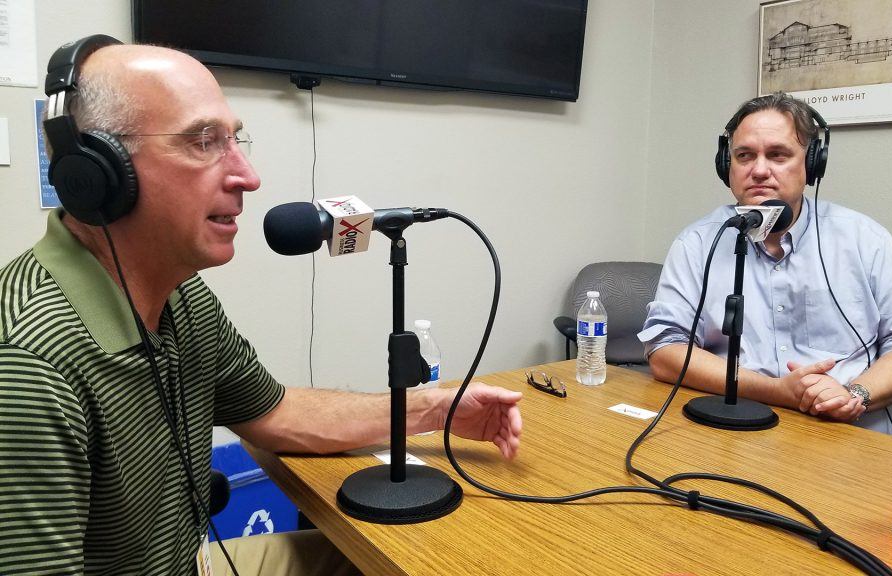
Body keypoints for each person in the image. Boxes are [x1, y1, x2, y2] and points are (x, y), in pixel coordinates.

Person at [0, 38, 523, 575]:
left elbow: (274, 413)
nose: (248, 177)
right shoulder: (29, 367)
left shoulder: (179, 295)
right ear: (97, 173)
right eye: (203, 141)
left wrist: (434, 409)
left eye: (235, 139)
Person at [639, 92, 892, 436]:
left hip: (853, 436)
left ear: (811, 164)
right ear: (727, 166)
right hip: (738, 434)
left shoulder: (863, 238)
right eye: (744, 156)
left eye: (778, 155)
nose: (759, 170)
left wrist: (852, 394)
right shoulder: (697, 243)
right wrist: (776, 392)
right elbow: (664, 349)